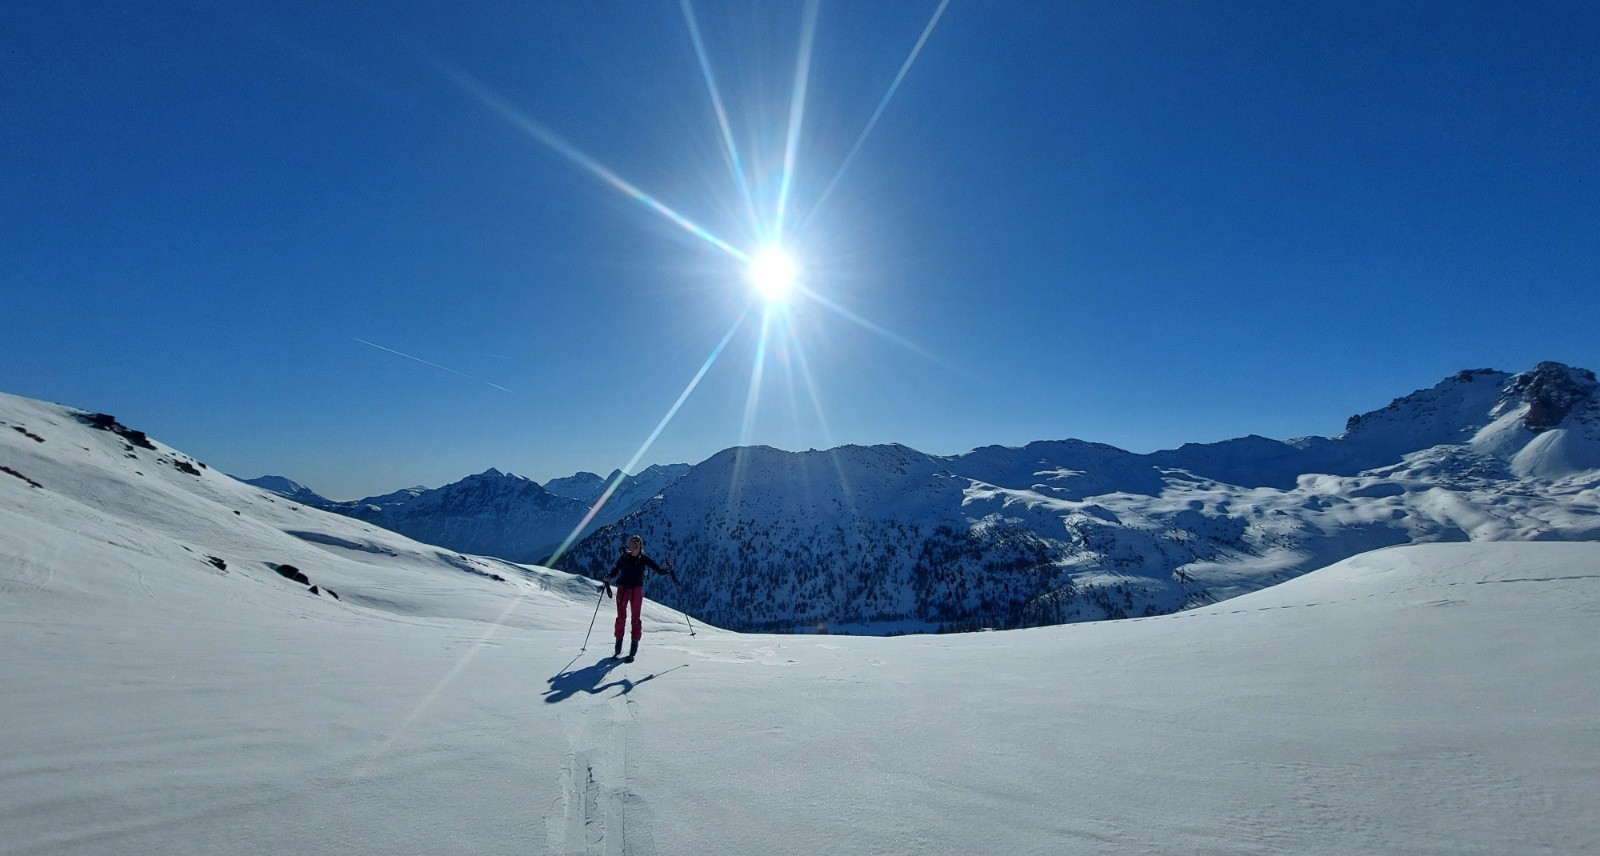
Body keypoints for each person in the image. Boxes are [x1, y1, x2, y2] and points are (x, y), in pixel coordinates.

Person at [600, 534, 678, 661]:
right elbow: (615, 570)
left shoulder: (637, 558)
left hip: (632, 590)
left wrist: (667, 570)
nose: (634, 545)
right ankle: (623, 648)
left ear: (641, 545)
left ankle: (629, 649)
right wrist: (609, 576)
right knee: (622, 618)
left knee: (633, 619)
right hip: (627, 589)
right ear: (630, 545)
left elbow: (658, 570)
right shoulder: (627, 557)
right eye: (632, 543)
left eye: (637, 543)